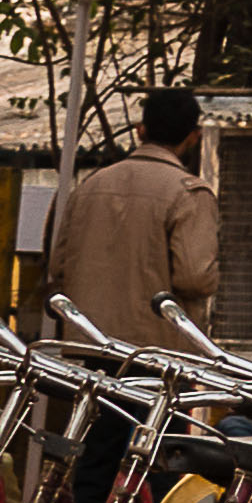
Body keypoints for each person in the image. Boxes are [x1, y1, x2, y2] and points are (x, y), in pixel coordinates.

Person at [51, 88, 219, 354]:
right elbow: (194, 278)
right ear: (194, 137)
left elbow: (58, 267)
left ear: (140, 130)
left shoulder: (90, 186)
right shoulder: (188, 193)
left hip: (89, 344)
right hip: (156, 353)